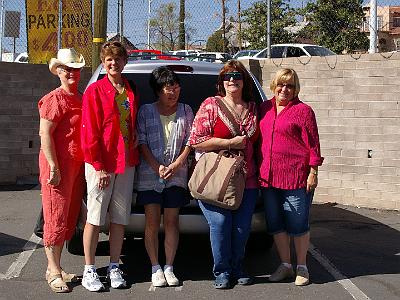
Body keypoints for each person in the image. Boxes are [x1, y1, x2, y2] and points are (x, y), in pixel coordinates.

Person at [188, 60, 259, 289]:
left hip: (247, 178)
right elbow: (196, 140)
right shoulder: (211, 105)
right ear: (221, 82)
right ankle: (222, 271)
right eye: (227, 77)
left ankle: (238, 268)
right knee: (219, 224)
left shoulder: (253, 108)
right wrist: (229, 142)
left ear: (244, 80)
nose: (232, 80)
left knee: (241, 229)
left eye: (236, 76)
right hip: (217, 177)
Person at [80, 41, 139, 292]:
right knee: (94, 217)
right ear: (103, 63)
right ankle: (89, 269)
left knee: (119, 218)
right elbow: (89, 131)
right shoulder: (94, 91)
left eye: (118, 59)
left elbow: (128, 121)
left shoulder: (129, 89)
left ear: (125, 62)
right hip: (101, 163)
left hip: (126, 161)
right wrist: (99, 165)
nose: (113, 63)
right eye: (108, 59)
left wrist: (134, 134)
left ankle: (115, 266)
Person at [258, 68, 324, 286]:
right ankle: (286, 265)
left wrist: (313, 172)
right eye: (281, 84)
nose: (284, 89)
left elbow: (313, 145)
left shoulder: (303, 111)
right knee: (276, 223)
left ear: (296, 89)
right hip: (268, 178)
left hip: (296, 178)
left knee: (297, 224)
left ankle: (302, 267)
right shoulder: (264, 108)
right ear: (274, 85)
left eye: (290, 86)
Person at [135, 66, 194, 287]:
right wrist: (156, 166)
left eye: (176, 88)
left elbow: (190, 140)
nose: (173, 93)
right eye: (169, 89)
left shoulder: (186, 110)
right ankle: (154, 267)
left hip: (177, 176)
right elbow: (141, 142)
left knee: (171, 221)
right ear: (158, 90)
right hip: (151, 176)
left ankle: (169, 266)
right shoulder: (146, 111)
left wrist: (178, 164)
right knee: (151, 221)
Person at [38, 48, 86, 293]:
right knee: (55, 215)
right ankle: (53, 271)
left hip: (76, 166)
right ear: (58, 71)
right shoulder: (54, 99)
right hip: (58, 165)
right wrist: (54, 167)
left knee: (68, 216)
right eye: (67, 69)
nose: (72, 73)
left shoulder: (78, 97)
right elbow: (44, 133)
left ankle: (56, 266)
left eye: (76, 69)